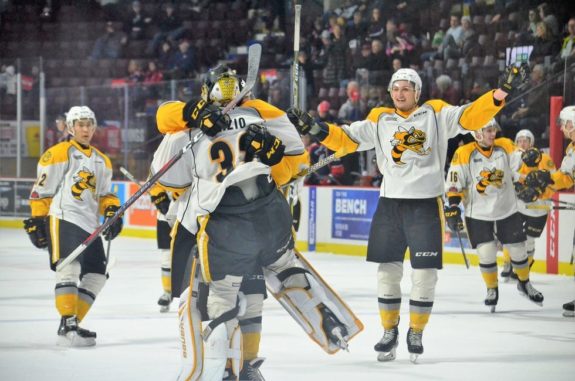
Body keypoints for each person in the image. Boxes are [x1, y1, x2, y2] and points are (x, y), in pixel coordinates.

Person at [287, 65, 529, 362]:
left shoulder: (436, 113)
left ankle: (416, 331)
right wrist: (314, 127)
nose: (400, 93)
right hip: (390, 206)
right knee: (387, 273)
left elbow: (471, 116)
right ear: (390, 92)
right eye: (396, 88)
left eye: (406, 88)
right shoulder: (380, 118)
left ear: (417, 92)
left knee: (424, 275)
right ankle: (389, 331)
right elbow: (347, 139)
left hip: (425, 205)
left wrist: (501, 92)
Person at [152, 65, 357, 380]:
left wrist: (270, 161)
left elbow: (167, 176)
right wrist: (273, 163)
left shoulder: (187, 129)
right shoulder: (257, 116)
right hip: (247, 217)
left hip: (209, 222)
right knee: (242, 296)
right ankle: (239, 366)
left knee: (228, 298)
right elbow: (294, 165)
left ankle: (234, 367)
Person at [23, 106, 123, 347]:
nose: (85, 129)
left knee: (98, 275)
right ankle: (68, 321)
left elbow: (106, 195)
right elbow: (42, 191)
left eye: (89, 124)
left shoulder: (103, 160)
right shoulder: (58, 153)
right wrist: (37, 220)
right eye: (80, 124)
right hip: (64, 218)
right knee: (68, 269)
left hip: (90, 224)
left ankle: (72, 323)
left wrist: (112, 212)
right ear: (70, 127)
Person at [445, 120, 545, 313]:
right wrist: (454, 207)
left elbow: (520, 159)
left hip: (507, 209)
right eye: (489, 131)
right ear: (477, 133)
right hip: (478, 213)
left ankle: (524, 283)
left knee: (518, 250)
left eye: (494, 130)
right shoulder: (463, 153)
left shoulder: (505, 145)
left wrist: (530, 161)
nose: (493, 134)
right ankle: (492, 289)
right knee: (486, 253)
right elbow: (454, 183)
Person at [521, 105, 575, 317]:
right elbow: (566, 177)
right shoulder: (572, 148)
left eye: (563, 124)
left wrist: (546, 180)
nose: (561, 129)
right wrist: (543, 184)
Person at [500, 129, 556, 280]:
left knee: (529, 241)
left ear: (532, 142)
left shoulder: (545, 158)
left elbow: (553, 183)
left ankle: (523, 271)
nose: (522, 143)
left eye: (525, 140)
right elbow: (507, 178)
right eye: (519, 140)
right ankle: (507, 262)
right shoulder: (514, 157)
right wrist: (518, 187)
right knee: (511, 236)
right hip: (518, 206)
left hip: (538, 209)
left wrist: (538, 192)